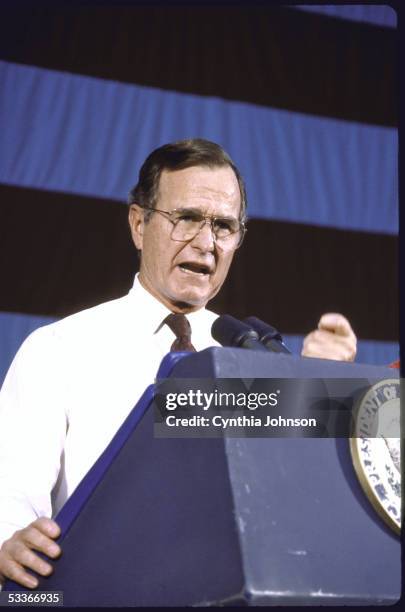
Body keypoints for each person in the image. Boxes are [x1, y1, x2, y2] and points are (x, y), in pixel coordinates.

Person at [0, 139, 357, 589]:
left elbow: (301, 501)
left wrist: (320, 386)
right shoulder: (57, 350)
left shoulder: (257, 358)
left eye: (224, 226)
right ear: (138, 224)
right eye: (186, 218)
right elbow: (9, 497)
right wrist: (7, 544)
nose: (206, 242)